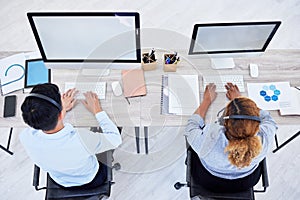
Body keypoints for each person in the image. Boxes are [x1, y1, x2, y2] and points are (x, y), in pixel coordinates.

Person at [19, 83, 122, 188]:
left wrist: (57, 110)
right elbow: (115, 139)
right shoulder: (81, 140)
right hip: (90, 178)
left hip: (60, 180)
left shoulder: (25, 137)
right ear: (60, 114)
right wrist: (97, 110)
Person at [185, 82, 277, 192]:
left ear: (224, 122)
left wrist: (207, 101)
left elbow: (191, 127)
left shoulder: (209, 139)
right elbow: (269, 119)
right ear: (256, 124)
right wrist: (242, 104)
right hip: (245, 182)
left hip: (209, 180)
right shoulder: (265, 136)